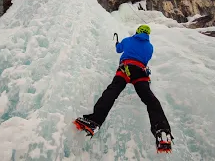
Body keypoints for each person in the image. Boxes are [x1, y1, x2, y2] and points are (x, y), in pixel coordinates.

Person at [74, 25, 173, 153]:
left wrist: (117, 44)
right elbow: (145, 59)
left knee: (112, 91)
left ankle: (94, 121)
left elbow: (118, 49)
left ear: (137, 31)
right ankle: (162, 131)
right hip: (141, 73)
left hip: (125, 69)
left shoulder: (128, 40)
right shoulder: (150, 47)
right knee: (150, 99)